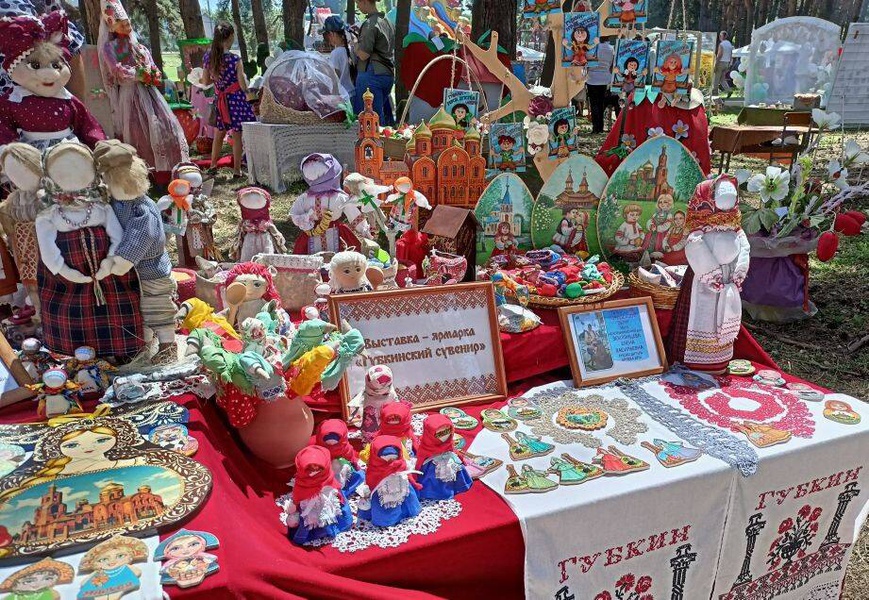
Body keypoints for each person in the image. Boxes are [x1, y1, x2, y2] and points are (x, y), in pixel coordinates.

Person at [203, 22, 256, 179]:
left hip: (221, 100)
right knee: (237, 135)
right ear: (230, 36)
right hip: (236, 100)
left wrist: (218, 81)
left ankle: (213, 166)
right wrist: (249, 94)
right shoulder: (235, 59)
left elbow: (205, 81)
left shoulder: (208, 57)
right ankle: (237, 171)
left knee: (219, 133)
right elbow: (242, 83)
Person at [353, 0, 395, 125]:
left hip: (371, 75)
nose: (357, 6)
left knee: (369, 120)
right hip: (387, 74)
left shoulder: (370, 23)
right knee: (378, 118)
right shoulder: (388, 22)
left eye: (358, 3)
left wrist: (355, 45)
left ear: (365, 1)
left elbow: (363, 54)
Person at [585, 36, 619, 134]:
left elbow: (587, 62)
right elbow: (612, 65)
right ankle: (600, 126)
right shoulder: (611, 49)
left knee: (594, 104)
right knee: (601, 104)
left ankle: (596, 127)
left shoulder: (593, 47)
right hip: (605, 78)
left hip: (592, 78)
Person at [323, 15, 355, 100]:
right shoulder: (351, 49)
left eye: (326, 35)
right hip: (352, 93)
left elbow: (334, 78)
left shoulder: (336, 53)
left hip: (343, 97)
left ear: (331, 34)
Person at [713, 30, 733, 97]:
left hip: (720, 63)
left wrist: (716, 63)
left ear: (722, 36)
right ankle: (729, 90)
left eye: (720, 35)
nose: (719, 37)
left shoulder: (721, 44)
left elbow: (720, 55)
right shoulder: (729, 44)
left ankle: (715, 93)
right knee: (722, 79)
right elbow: (731, 54)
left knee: (716, 78)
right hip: (727, 63)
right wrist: (730, 64)